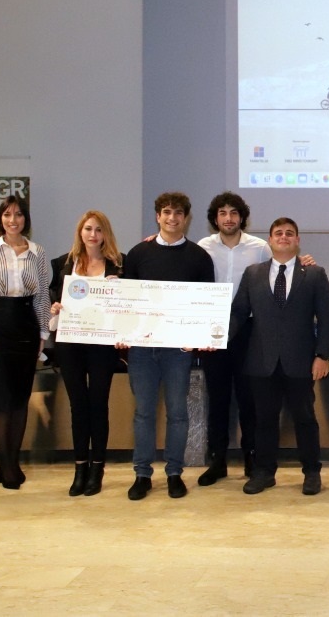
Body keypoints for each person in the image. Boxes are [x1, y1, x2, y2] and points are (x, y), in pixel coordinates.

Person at [229, 218, 329, 496]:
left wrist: (322, 355)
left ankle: (311, 472)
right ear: (270, 240)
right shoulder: (253, 273)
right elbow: (238, 313)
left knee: (305, 419)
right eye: (278, 233)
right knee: (264, 420)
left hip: (301, 361)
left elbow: (327, 318)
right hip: (261, 361)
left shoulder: (314, 274)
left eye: (290, 233)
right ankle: (264, 473)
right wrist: (215, 337)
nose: (284, 237)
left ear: (297, 240)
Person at [122, 192, 216, 500]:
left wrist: (200, 337)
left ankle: (174, 472)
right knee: (143, 413)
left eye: (178, 213)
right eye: (166, 212)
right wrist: (123, 331)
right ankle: (142, 474)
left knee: (178, 413)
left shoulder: (199, 257)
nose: (172, 218)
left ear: (186, 218)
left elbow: (206, 303)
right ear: (157, 216)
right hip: (141, 349)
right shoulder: (138, 253)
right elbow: (128, 302)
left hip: (178, 351)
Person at [0, 195, 53, 491]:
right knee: (1, 400)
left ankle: (12, 461)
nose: (12, 220)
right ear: (0, 219)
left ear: (25, 219)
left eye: (18, 214)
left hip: (26, 326)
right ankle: (6, 465)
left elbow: (42, 296)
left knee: (19, 398)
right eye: (7, 214)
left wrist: (42, 336)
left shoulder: (37, 252)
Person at [196, 192, 270, 486]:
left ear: (242, 217)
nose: (228, 218)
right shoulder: (203, 247)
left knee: (248, 398)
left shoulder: (260, 248)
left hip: (249, 331)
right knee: (217, 398)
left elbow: (279, 269)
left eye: (234, 213)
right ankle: (218, 461)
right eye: (223, 213)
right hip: (212, 329)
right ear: (215, 219)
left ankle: (252, 457)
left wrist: (303, 260)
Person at [48, 210, 123, 496]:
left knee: (98, 404)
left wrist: (120, 292)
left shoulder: (119, 265)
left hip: (102, 345)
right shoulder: (63, 264)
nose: (93, 234)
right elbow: (52, 299)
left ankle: (97, 468)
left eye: (99, 230)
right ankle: (80, 467)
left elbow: (130, 305)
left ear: (106, 234)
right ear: (80, 232)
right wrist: (55, 307)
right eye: (88, 229)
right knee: (78, 405)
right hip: (70, 344)